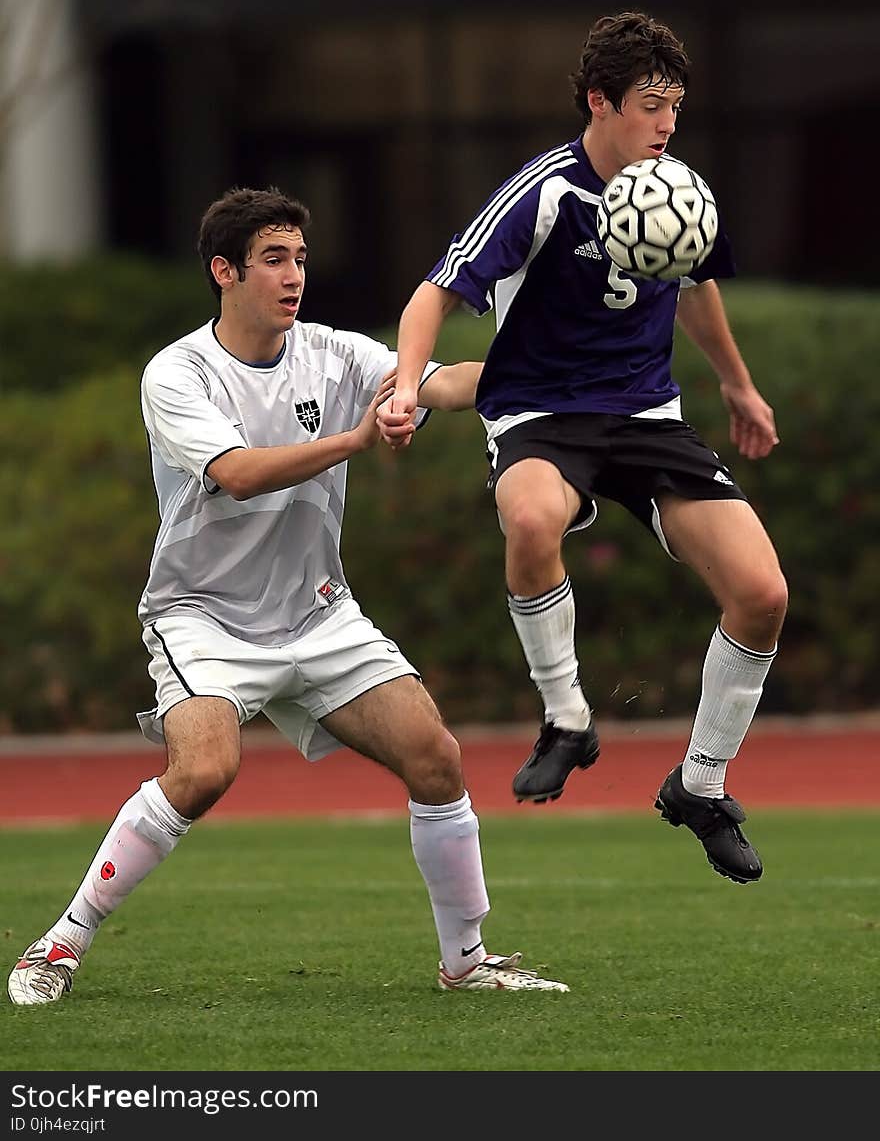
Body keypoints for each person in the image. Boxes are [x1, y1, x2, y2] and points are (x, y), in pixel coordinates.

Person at [8, 185, 569, 1006]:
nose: (293, 274)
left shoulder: (335, 354)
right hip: (203, 616)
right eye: (273, 258)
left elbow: (439, 381)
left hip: (316, 611)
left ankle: (466, 961)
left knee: (437, 759)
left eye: (300, 258)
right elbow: (234, 474)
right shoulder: (177, 372)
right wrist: (355, 436)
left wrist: (541, 376)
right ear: (223, 271)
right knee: (203, 770)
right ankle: (57, 946)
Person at [380, 11, 787, 886]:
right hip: (540, 410)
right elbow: (431, 292)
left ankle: (701, 784)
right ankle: (567, 718)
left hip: (646, 414)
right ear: (601, 102)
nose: (667, 124)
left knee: (762, 594)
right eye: (650, 105)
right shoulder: (542, 192)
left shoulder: (676, 188)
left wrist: (738, 385)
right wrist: (409, 381)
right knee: (529, 520)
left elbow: (695, 286)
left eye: (675, 105)